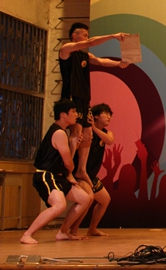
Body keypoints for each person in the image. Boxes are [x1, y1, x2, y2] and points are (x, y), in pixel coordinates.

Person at [59, 22, 128, 183]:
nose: (87, 37)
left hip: (84, 98)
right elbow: (91, 42)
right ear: (74, 36)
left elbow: (101, 61)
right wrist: (113, 36)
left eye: (87, 35)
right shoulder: (66, 50)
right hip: (72, 97)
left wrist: (119, 64)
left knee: (88, 135)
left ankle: (81, 170)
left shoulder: (85, 56)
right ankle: (67, 170)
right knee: (76, 134)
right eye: (84, 35)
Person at [20, 99, 92, 244]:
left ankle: (63, 231)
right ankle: (27, 234)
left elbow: (67, 164)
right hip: (45, 175)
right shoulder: (59, 133)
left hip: (57, 176)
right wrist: (70, 167)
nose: (76, 115)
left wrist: (73, 147)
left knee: (85, 199)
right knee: (59, 205)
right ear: (63, 115)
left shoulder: (62, 132)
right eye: (73, 111)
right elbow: (68, 164)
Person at [69, 103, 115, 237]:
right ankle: (73, 230)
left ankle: (92, 229)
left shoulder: (105, 133)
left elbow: (110, 140)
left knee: (105, 200)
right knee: (88, 199)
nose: (109, 117)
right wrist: (91, 128)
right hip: (80, 174)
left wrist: (94, 128)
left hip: (91, 175)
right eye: (105, 114)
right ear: (95, 116)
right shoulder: (86, 132)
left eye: (110, 115)